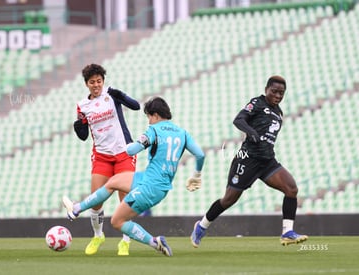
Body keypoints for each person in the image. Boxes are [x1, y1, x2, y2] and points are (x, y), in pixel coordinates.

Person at [63, 97, 205, 256]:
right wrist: (196, 175)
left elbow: (132, 151)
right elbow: (200, 155)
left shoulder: (154, 130)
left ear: (155, 115)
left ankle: (155, 242)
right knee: (113, 182)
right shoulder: (183, 133)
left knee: (117, 221)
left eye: (149, 117)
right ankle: (77, 209)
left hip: (149, 188)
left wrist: (128, 143)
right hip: (151, 181)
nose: (149, 121)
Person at [190, 76, 308, 247]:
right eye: (274, 91)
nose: (277, 95)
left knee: (291, 189)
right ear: (266, 89)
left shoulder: (279, 112)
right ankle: (201, 226)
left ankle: (287, 232)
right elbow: (238, 120)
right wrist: (251, 132)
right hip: (248, 160)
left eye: (281, 93)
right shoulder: (257, 103)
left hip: (267, 161)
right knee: (228, 199)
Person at [73, 63, 140, 256]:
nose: (96, 85)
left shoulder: (111, 95)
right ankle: (98, 236)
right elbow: (84, 134)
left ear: (103, 80)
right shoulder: (82, 105)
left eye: (99, 81)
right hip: (101, 156)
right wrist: (79, 127)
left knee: (125, 200)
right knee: (96, 200)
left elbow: (136, 106)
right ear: (86, 84)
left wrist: (122, 95)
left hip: (123, 153)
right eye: (92, 82)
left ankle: (125, 241)